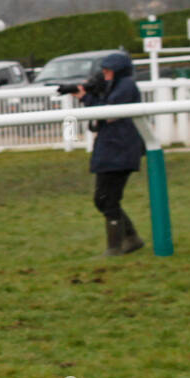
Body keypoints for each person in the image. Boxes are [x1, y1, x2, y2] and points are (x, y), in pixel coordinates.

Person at [77, 52, 146, 256]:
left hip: (119, 150)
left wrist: (85, 97)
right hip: (113, 150)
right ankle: (131, 238)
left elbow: (108, 115)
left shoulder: (125, 87)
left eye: (107, 70)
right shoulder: (116, 86)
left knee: (106, 199)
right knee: (104, 199)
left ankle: (116, 247)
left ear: (117, 71)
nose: (104, 74)